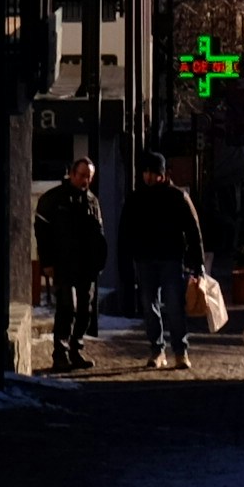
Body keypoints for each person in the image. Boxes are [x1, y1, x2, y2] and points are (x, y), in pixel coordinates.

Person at [113, 146, 206, 372]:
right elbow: (125, 232)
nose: (148, 176)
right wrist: (125, 260)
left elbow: (193, 231)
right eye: (145, 172)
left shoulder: (177, 196)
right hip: (145, 258)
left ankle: (180, 351)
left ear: (162, 174)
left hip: (170, 258)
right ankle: (157, 349)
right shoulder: (136, 198)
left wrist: (198, 263)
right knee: (149, 305)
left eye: (152, 172)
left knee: (174, 305)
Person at [33, 155, 110, 373]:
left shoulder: (92, 201)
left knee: (85, 310)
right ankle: (61, 353)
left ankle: (76, 349)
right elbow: (42, 232)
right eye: (82, 175)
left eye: (89, 177)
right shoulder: (54, 199)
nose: (86, 180)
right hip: (63, 263)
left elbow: (99, 234)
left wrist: (99, 261)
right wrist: (47, 262)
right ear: (72, 174)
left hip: (87, 265)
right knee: (67, 307)